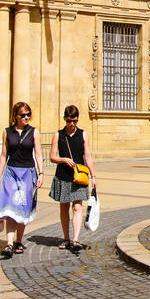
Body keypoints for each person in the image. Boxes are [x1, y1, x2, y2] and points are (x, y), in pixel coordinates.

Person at [0, 102, 43, 259]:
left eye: (28, 114)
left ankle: (19, 241)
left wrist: (41, 173)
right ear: (15, 116)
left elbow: (39, 154)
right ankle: (9, 243)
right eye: (23, 115)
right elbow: (3, 155)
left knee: (22, 207)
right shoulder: (7, 132)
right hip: (11, 172)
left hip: (28, 173)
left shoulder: (34, 132)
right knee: (9, 208)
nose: (26, 117)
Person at [49, 105, 97, 254]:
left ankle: (75, 240)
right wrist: (63, 159)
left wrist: (93, 176)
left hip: (79, 176)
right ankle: (66, 238)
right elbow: (52, 157)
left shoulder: (83, 134)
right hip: (63, 175)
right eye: (69, 121)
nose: (72, 124)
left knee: (77, 207)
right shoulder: (58, 135)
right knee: (64, 207)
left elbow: (87, 156)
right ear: (64, 119)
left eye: (75, 121)